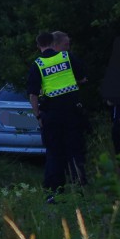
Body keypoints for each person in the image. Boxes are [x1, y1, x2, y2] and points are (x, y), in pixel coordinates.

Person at [27, 31, 88, 201]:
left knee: (54, 153)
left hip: (51, 115)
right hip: (72, 113)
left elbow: (32, 95)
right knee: (75, 150)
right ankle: (80, 189)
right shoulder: (67, 57)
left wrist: (38, 116)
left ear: (39, 46)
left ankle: (53, 192)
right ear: (53, 42)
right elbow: (82, 78)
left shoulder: (37, 65)